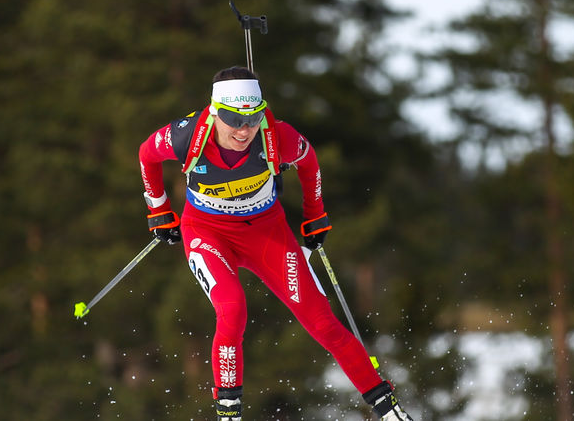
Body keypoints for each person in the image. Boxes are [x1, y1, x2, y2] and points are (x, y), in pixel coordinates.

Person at [138, 66, 413, 421]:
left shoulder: (277, 136)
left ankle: (388, 410)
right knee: (232, 309)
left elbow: (309, 161)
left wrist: (315, 215)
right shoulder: (187, 135)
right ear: (214, 110)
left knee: (323, 322)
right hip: (207, 232)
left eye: (251, 118)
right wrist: (159, 210)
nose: (243, 129)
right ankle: (228, 411)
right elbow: (147, 155)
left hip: (267, 234)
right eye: (232, 118)